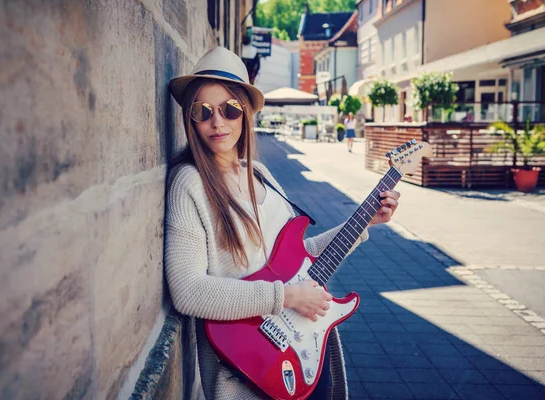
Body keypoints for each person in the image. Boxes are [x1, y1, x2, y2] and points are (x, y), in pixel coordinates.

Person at [164, 47, 401, 400]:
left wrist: (365, 220)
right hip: (251, 372)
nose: (218, 122)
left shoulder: (259, 174)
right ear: (190, 119)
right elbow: (188, 290)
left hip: (304, 350)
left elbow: (297, 258)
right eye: (203, 111)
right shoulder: (190, 183)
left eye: (230, 109)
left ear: (245, 114)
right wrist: (286, 296)